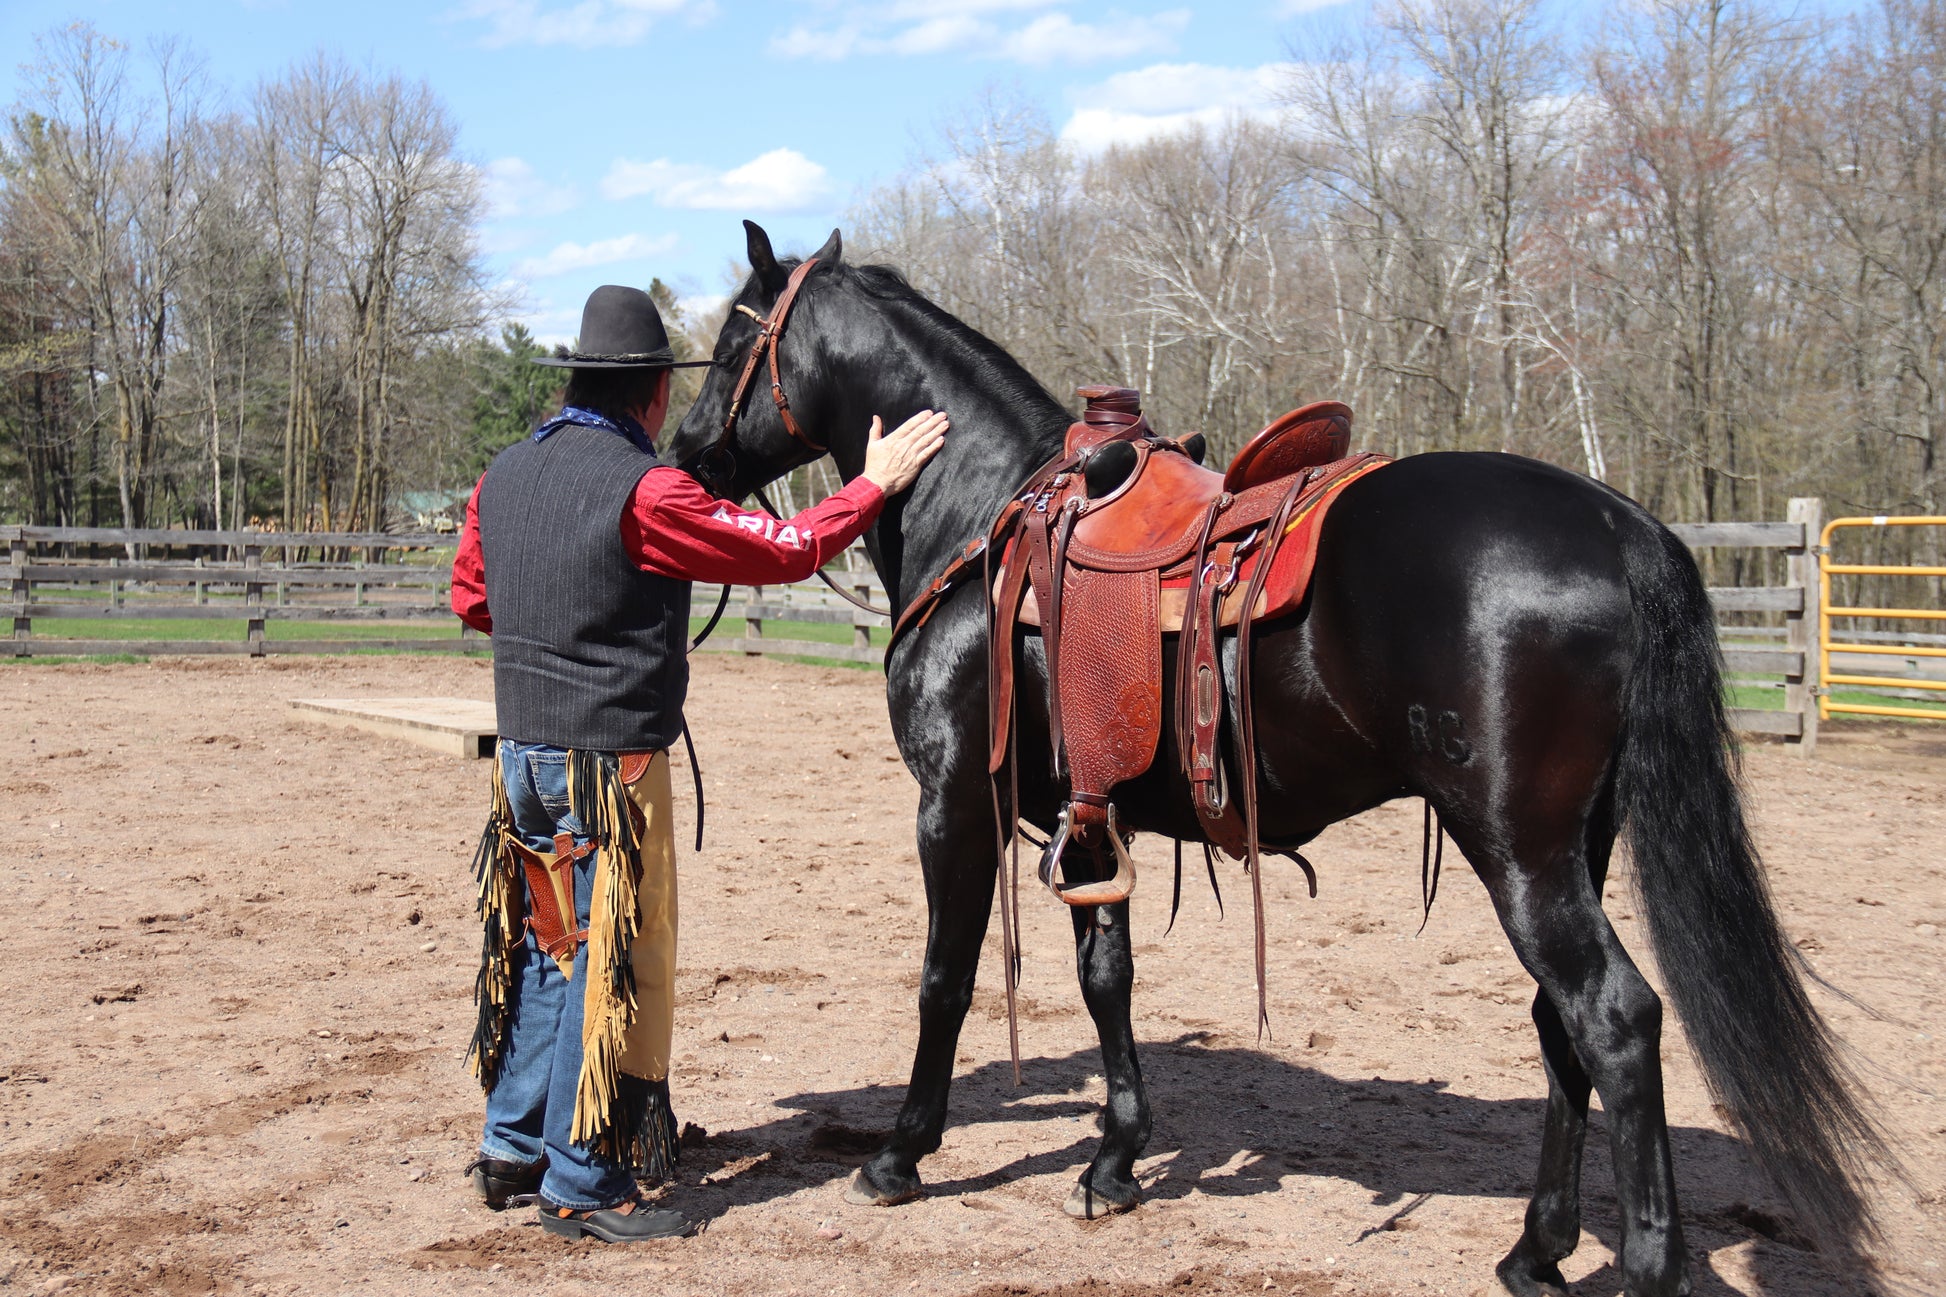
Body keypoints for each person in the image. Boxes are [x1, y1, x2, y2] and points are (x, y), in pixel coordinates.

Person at [449, 284, 946, 1242]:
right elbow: (789, 546)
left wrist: (558, 620)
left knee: (547, 952)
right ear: (648, 395)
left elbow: (475, 599)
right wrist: (872, 486)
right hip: (609, 765)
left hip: (521, 756)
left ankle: (511, 1144)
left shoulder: (501, 477)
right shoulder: (649, 491)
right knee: (606, 962)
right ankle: (581, 1182)